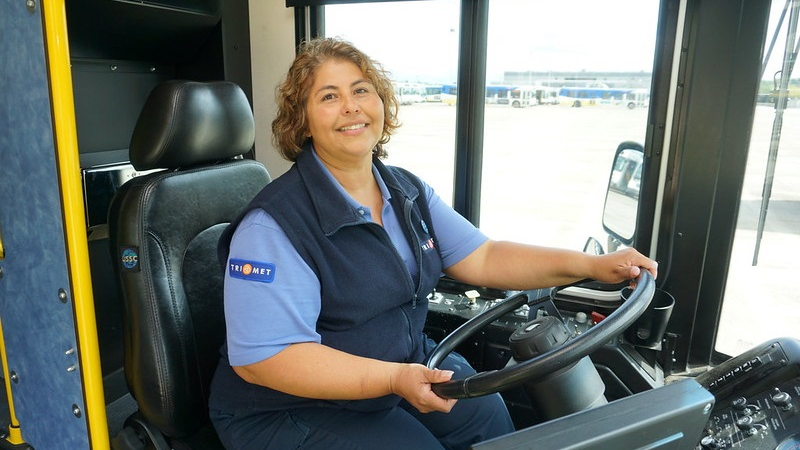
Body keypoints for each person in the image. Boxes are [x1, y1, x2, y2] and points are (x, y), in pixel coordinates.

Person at [208, 37, 658, 450]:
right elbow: (267, 360)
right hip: (285, 406)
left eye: (361, 90)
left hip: (396, 371)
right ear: (302, 121)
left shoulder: (405, 190)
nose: (351, 107)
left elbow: (484, 256)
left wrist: (593, 266)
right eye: (329, 97)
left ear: (381, 103)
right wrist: (394, 378)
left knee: (488, 420)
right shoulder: (273, 226)